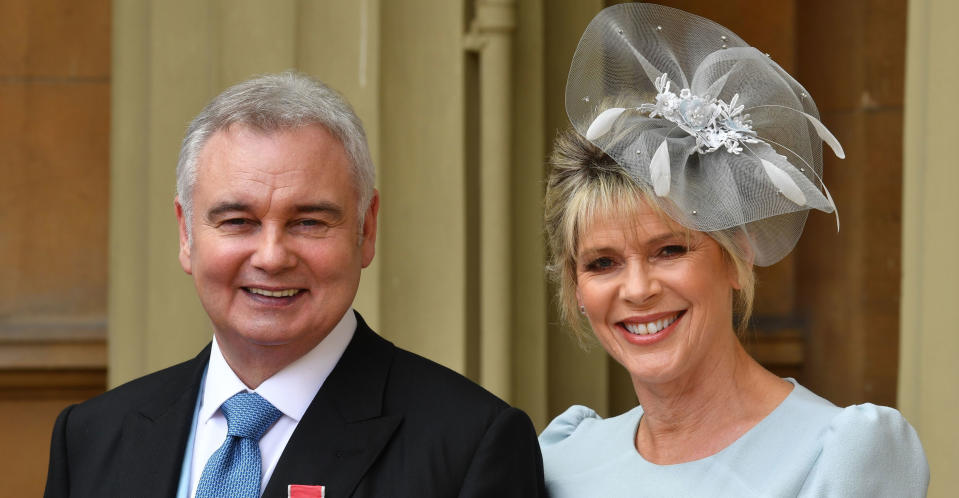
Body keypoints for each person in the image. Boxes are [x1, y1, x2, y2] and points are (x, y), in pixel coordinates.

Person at [44, 72, 546, 498]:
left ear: (366, 229)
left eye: (309, 222)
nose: (271, 256)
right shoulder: (91, 438)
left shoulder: (469, 445)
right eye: (238, 221)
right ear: (186, 233)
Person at [538, 4, 929, 497]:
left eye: (670, 250)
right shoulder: (563, 457)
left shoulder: (839, 453)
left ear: (737, 256)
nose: (637, 290)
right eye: (602, 263)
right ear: (576, 287)